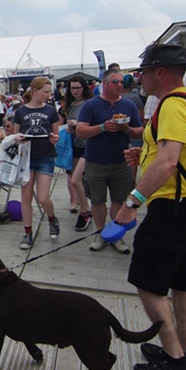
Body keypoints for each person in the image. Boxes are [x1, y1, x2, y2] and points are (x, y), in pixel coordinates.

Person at [115, 44, 186, 370]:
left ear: (160, 72)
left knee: (148, 283)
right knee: (183, 285)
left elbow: (169, 163)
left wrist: (132, 202)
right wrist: (145, 155)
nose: (138, 77)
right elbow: (175, 155)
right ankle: (183, 353)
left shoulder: (172, 104)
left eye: (143, 71)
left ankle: (174, 359)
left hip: (171, 207)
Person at [76, 69, 144, 253]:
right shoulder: (91, 105)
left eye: (122, 82)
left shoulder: (128, 105)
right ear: (104, 83)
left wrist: (127, 129)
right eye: (115, 81)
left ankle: (116, 235)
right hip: (96, 161)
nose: (120, 85)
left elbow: (140, 131)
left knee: (119, 200)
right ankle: (100, 233)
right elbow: (81, 131)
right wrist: (103, 127)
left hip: (121, 161)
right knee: (97, 201)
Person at [12, 76, 62, 249]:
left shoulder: (50, 110)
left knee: (43, 197)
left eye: (49, 92)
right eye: (46, 92)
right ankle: (27, 232)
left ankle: (52, 218)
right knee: (25, 197)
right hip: (26, 159)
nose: (49, 95)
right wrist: (18, 138)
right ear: (34, 91)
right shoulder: (20, 112)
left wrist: (54, 138)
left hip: (45, 156)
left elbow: (56, 136)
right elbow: (14, 136)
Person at [59, 75, 94, 231]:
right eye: (72, 88)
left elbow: (93, 124)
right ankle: (83, 208)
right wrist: (69, 127)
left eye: (78, 88)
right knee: (74, 178)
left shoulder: (90, 103)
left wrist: (77, 124)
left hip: (89, 145)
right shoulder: (69, 104)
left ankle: (85, 210)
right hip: (73, 145)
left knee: (80, 179)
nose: (75, 91)